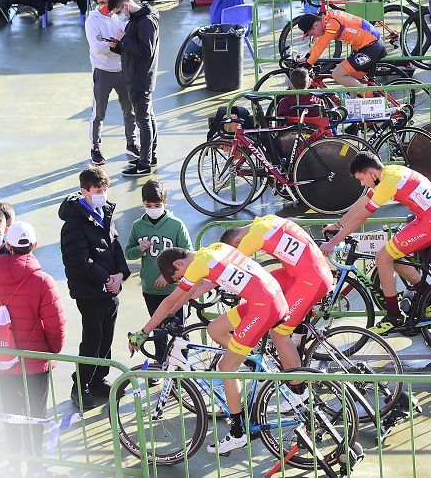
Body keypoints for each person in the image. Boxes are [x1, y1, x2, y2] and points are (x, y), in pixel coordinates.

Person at [130, 243, 289, 456]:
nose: (180, 281)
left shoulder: (197, 265)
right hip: (270, 297)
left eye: (178, 277)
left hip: (262, 307)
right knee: (215, 328)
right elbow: (194, 291)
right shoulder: (213, 249)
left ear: (178, 264)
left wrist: (143, 332)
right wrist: (169, 316)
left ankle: (238, 432)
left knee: (225, 369)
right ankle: (246, 359)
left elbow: (170, 300)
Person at [0, 221, 66, 478]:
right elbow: (56, 326)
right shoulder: (43, 281)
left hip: (1, 362)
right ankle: (35, 467)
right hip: (35, 364)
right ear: (34, 245)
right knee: (35, 416)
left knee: (9, 415)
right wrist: (49, 353)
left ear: (8, 245)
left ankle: (13, 465)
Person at [321, 153, 431, 335]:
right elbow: (363, 201)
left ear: (372, 173)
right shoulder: (389, 174)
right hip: (429, 219)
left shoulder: (389, 182)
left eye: (361, 178)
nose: (362, 184)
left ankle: (393, 316)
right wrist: (338, 225)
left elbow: (362, 216)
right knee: (392, 257)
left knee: (382, 257)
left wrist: (334, 242)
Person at [59, 166, 131, 410]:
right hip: (89, 291)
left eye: (105, 189)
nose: (102, 194)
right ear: (84, 191)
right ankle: (80, 385)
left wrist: (121, 274)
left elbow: (115, 245)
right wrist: (106, 279)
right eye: (98, 190)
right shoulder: (74, 223)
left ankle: (98, 379)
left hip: (110, 289)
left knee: (106, 337)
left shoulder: (105, 212)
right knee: (92, 339)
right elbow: (78, 260)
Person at [220, 216, 333, 371]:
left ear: (236, 243)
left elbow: (231, 266)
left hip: (310, 280)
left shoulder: (253, 236)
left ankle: (299, 389)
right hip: (311, 272)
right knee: (267, 289)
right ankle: (293, 338)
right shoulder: (267, 220)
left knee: (278, 334)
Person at [124, 179, 192, 362]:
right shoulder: (138, 226)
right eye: (148, 205)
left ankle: (182, 366)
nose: (153, 208)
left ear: (165, 203)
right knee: (158, 329)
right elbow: (128, 253)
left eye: (157, 205)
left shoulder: (176, 225)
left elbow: (188, 255)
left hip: (174, 289)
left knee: (179, 331)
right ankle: (161, 362)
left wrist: (168, 275)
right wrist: (140, 249)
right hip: (150, 289)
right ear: (143, 204)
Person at [84, 0, 138, 167]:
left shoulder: (119, 17)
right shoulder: (92, 21)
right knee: (99, 113)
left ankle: (131, 144)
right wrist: (118, 42)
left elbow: (125, 42)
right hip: (102, 73)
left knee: (129, 111)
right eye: (101, 3)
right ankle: (95, 149)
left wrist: (111, 42)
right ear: (96, 3)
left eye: (108, 3)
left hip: (123, 71)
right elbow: (97, 49)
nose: (105, 7)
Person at [107, 0, 159, 177]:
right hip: (137, 75)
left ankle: (144, 164)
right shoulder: (138, 19)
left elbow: (146, 50)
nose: (120, 15)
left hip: (140, 78)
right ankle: (148, 156)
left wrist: (124, 39)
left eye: (119, 11)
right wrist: (119, 47)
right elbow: (134, 49)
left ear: (126, 5)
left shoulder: (145, 21)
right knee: (148, 117)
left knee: (143, 120)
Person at [295, 10, 385, 91]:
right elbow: (319, 43)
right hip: (370, 46)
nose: (314, 37)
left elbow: (321, 46)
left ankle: (366, 99)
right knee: (350, 80)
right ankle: (354, 103)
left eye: (312, 34)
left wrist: (306, 67)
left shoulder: (332, 24)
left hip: (371, 48)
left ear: (315, 25)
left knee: (337, 74)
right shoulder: (328, 19)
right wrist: (307, 57)